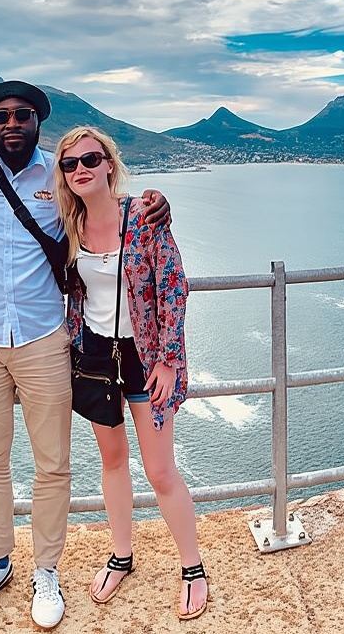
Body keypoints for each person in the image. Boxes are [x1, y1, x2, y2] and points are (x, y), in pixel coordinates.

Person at [0, 81, 170, 630]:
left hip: (45, 340)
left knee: (52, 464)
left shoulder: (61, 175)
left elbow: (115, 211)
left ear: (38, 121)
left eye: (21, 115)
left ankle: (46, 568)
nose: (11, 123)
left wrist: (158, 205)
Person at [52, 125, 207, 621]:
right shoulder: (68, 225)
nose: (80, 170)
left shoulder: (143, 216)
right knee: (113, 461)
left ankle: (193, 566)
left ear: (109, 165)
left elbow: (175, 289)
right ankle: (121, 555)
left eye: (90, 160)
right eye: (70, 164)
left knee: (160, 469)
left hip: (146, 357)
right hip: (95, 356)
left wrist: (167, 359)